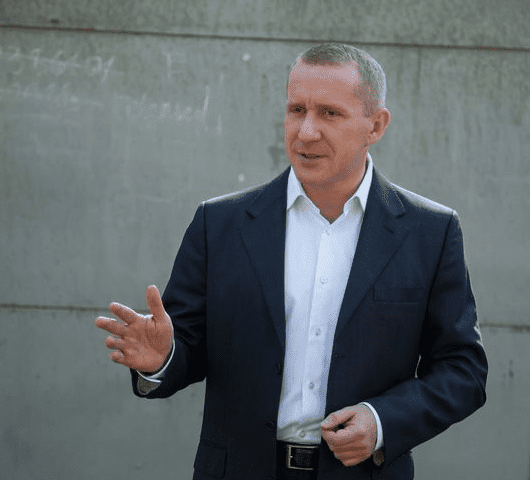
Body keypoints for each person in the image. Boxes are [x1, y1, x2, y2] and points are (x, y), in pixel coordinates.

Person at [96, 43, 487, 480]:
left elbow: (463, 371)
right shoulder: (219, 225)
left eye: (330, 113)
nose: (306, 131)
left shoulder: (430, 233)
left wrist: (382, 421)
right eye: (296, 110)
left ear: (375, 125)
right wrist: (162, 358)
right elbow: (185, 348)